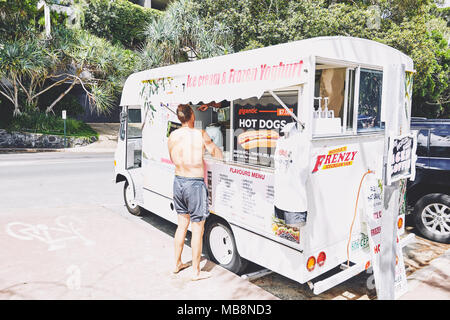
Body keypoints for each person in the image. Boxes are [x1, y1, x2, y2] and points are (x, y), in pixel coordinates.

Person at [168, 104, 223, 281]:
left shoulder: (173, 135)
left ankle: (177, 264)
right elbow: (217, 154)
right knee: (198, 229)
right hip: (194, 184)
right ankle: (196, 271)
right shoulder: (199, 133)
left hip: (178, 181)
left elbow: (172, 157)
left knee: (182, 225)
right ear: (191, 115)